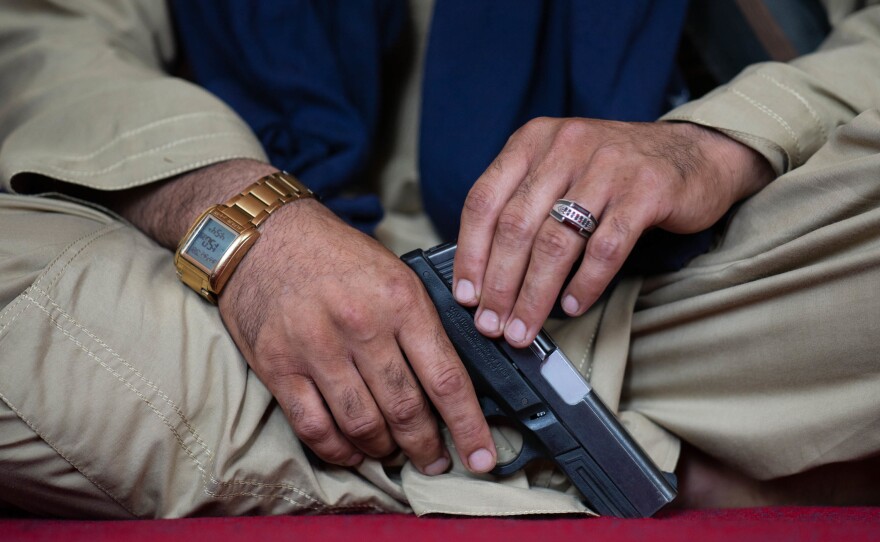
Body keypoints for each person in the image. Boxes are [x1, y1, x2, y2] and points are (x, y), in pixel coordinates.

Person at [0, 0, 878, 518]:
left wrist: (716, 142)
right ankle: (648, 458)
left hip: (656, 281)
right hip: (224, 304)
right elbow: (49, 40)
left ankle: (411, 436)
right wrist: (235, 216)